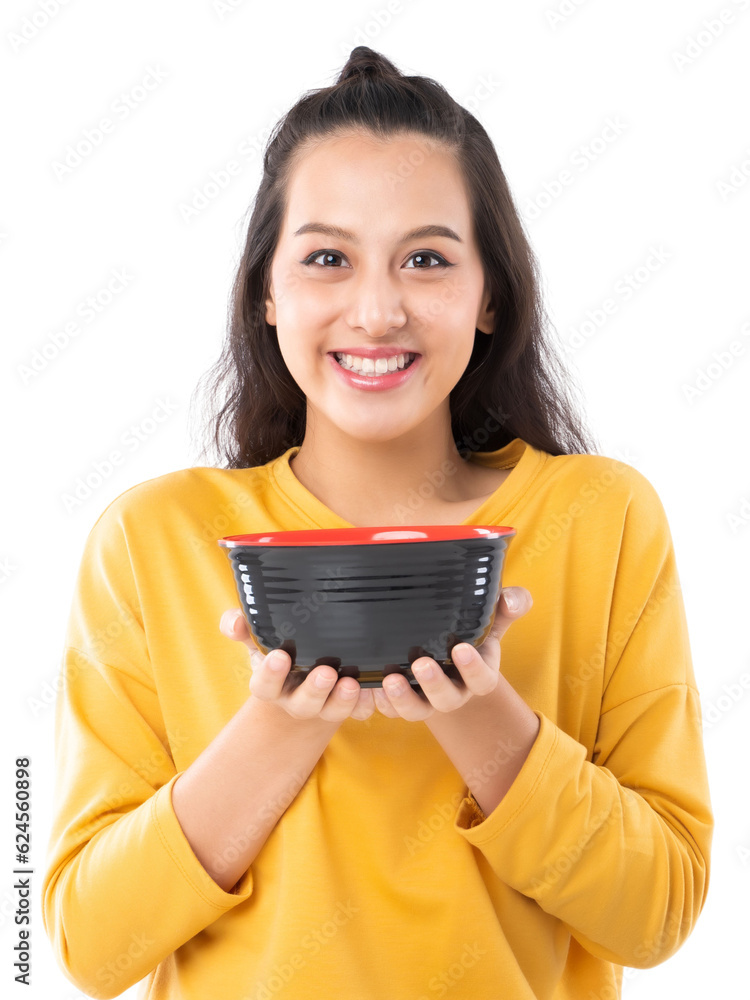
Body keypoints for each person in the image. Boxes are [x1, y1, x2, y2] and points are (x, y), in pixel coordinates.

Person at [41, 45, 713, 1000]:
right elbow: (84, 946)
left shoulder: (601, 519)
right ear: (267, 294)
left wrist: (482, 712)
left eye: (427, 259)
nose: (377, 308)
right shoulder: (153, 540)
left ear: (489, 297)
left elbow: (659, 916)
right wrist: (277, 727)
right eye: (326, 258)